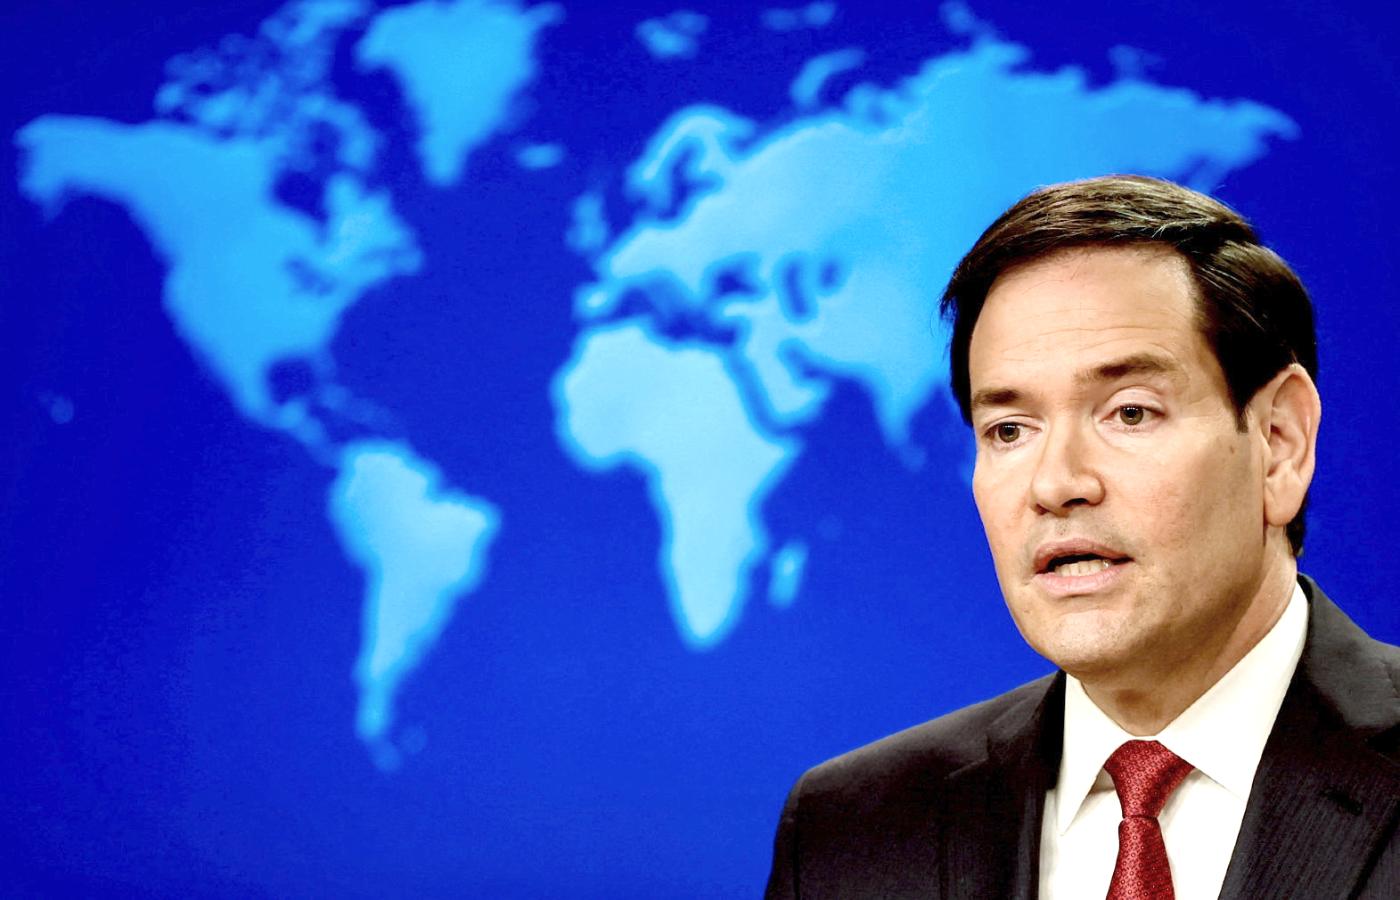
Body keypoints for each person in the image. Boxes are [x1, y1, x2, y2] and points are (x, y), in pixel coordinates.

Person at [763, 175, 1400, 899]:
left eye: (1129, 413)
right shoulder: (851, 834)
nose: (1056, 483)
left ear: (1280, 443)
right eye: (1010, 430)